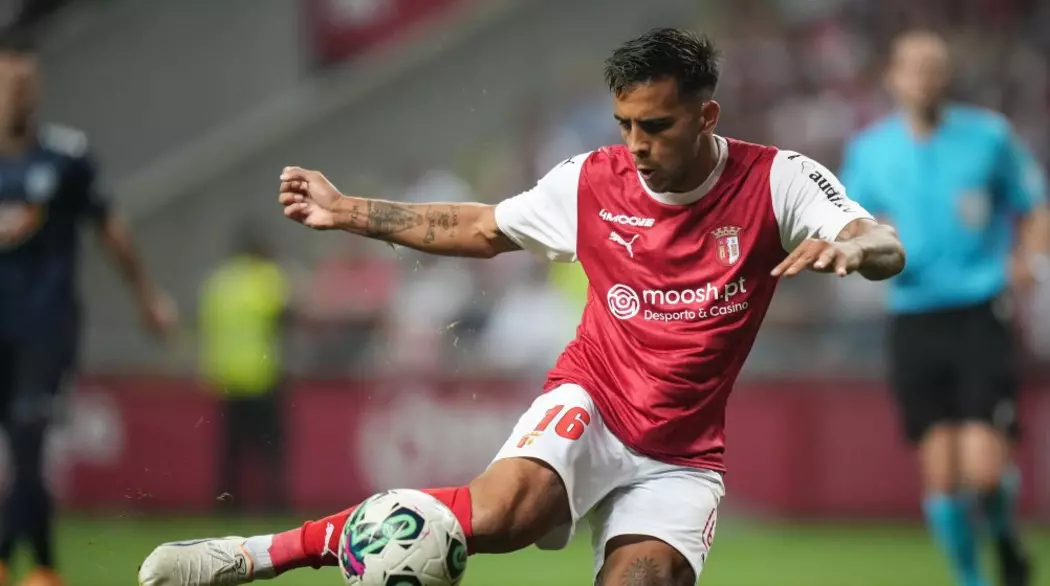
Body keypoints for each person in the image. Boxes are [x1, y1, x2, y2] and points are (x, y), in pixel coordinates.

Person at [139, 28, 905, 586]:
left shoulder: (777, 180)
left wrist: (855, 250)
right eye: (625, 125)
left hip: (681, 452)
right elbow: (480, 227)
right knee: (502, 516)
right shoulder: (592, 180)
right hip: (594, 399)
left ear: (706, 117)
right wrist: (349, 212)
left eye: (657, 126)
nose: (637, 145)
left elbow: (879, 240)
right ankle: (254, 555)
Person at [840, 30, 1049, 586]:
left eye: (934, 66)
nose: (924, 77)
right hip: (913, 315)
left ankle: (1004, 536)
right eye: (914, 67)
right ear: (893, 77)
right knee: (942, 476)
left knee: (984, 470)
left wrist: (1028, 257)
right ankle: (971, 578)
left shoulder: (988, 137)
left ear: (947, 75)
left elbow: (1035, 205)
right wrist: (863, 245)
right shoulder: (870, 150)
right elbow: (849, 220)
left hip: (980, 309)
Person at [0, 31, 176, 586]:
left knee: (28, 440)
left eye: (27, 83)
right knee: (22, 454)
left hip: (45, 326)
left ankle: (32, 566)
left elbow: (111, 229)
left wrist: (146, 295)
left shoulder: (66, 157)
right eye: (9, 82)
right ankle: (37, 565)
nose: (19, 93)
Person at [199, 224, 289, 513]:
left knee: (231, 449)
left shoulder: (219, 282)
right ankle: (273, 503)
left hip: (226, 376)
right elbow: (286, 314)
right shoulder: (265, 277)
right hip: (261, 375)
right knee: (271, 447)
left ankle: (227, 505)